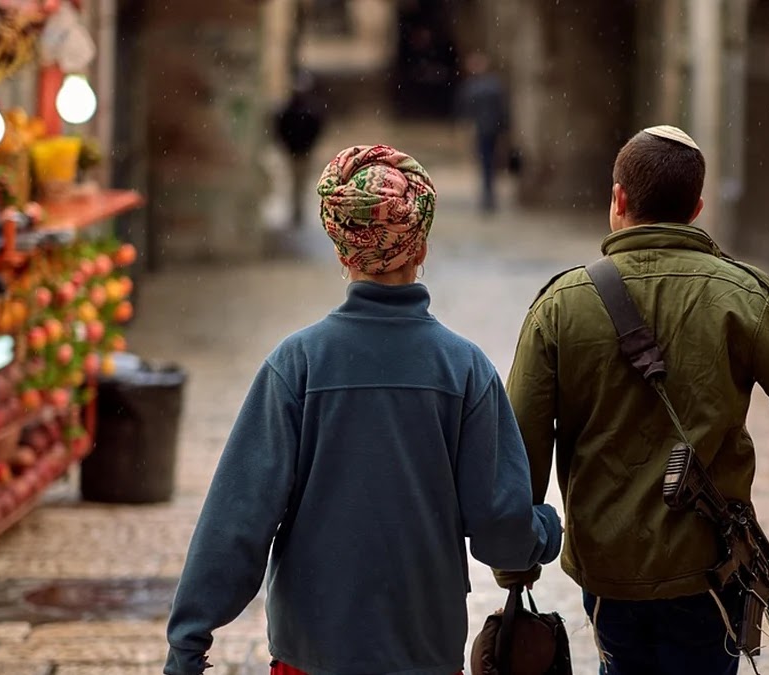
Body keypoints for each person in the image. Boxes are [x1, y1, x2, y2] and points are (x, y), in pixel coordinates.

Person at [165, 144, 563, 675]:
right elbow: (500, 532)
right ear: (420, 245)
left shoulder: (297, 366)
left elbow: (238, 521)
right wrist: (545, 530)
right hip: (422, 649)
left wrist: (189, 640)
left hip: (312, 653)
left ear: (342, 250)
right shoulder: (464, 370)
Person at [493, 126, 769, 675]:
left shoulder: (559, 306)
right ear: (695, 207)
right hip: (707, 565)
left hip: (609, 567)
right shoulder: (746, 296)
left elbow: (519, 443)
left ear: (618, 199)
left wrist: (515, 563)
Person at [455, 52, 508, 212]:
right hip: (488, 128)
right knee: (488, 161)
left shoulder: (474, 87)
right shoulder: (491, 85)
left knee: (487, 161)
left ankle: (488, 193)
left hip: (485, 129)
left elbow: (465, 110)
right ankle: (488, 193)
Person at [275, 72, 325, 228]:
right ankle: (296, 211)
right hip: (297, 151)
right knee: (297, 183)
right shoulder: (296, 110)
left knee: (299, 183)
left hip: (301, 151)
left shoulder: (304, 110)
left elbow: (316, 127)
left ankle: (298, 211)